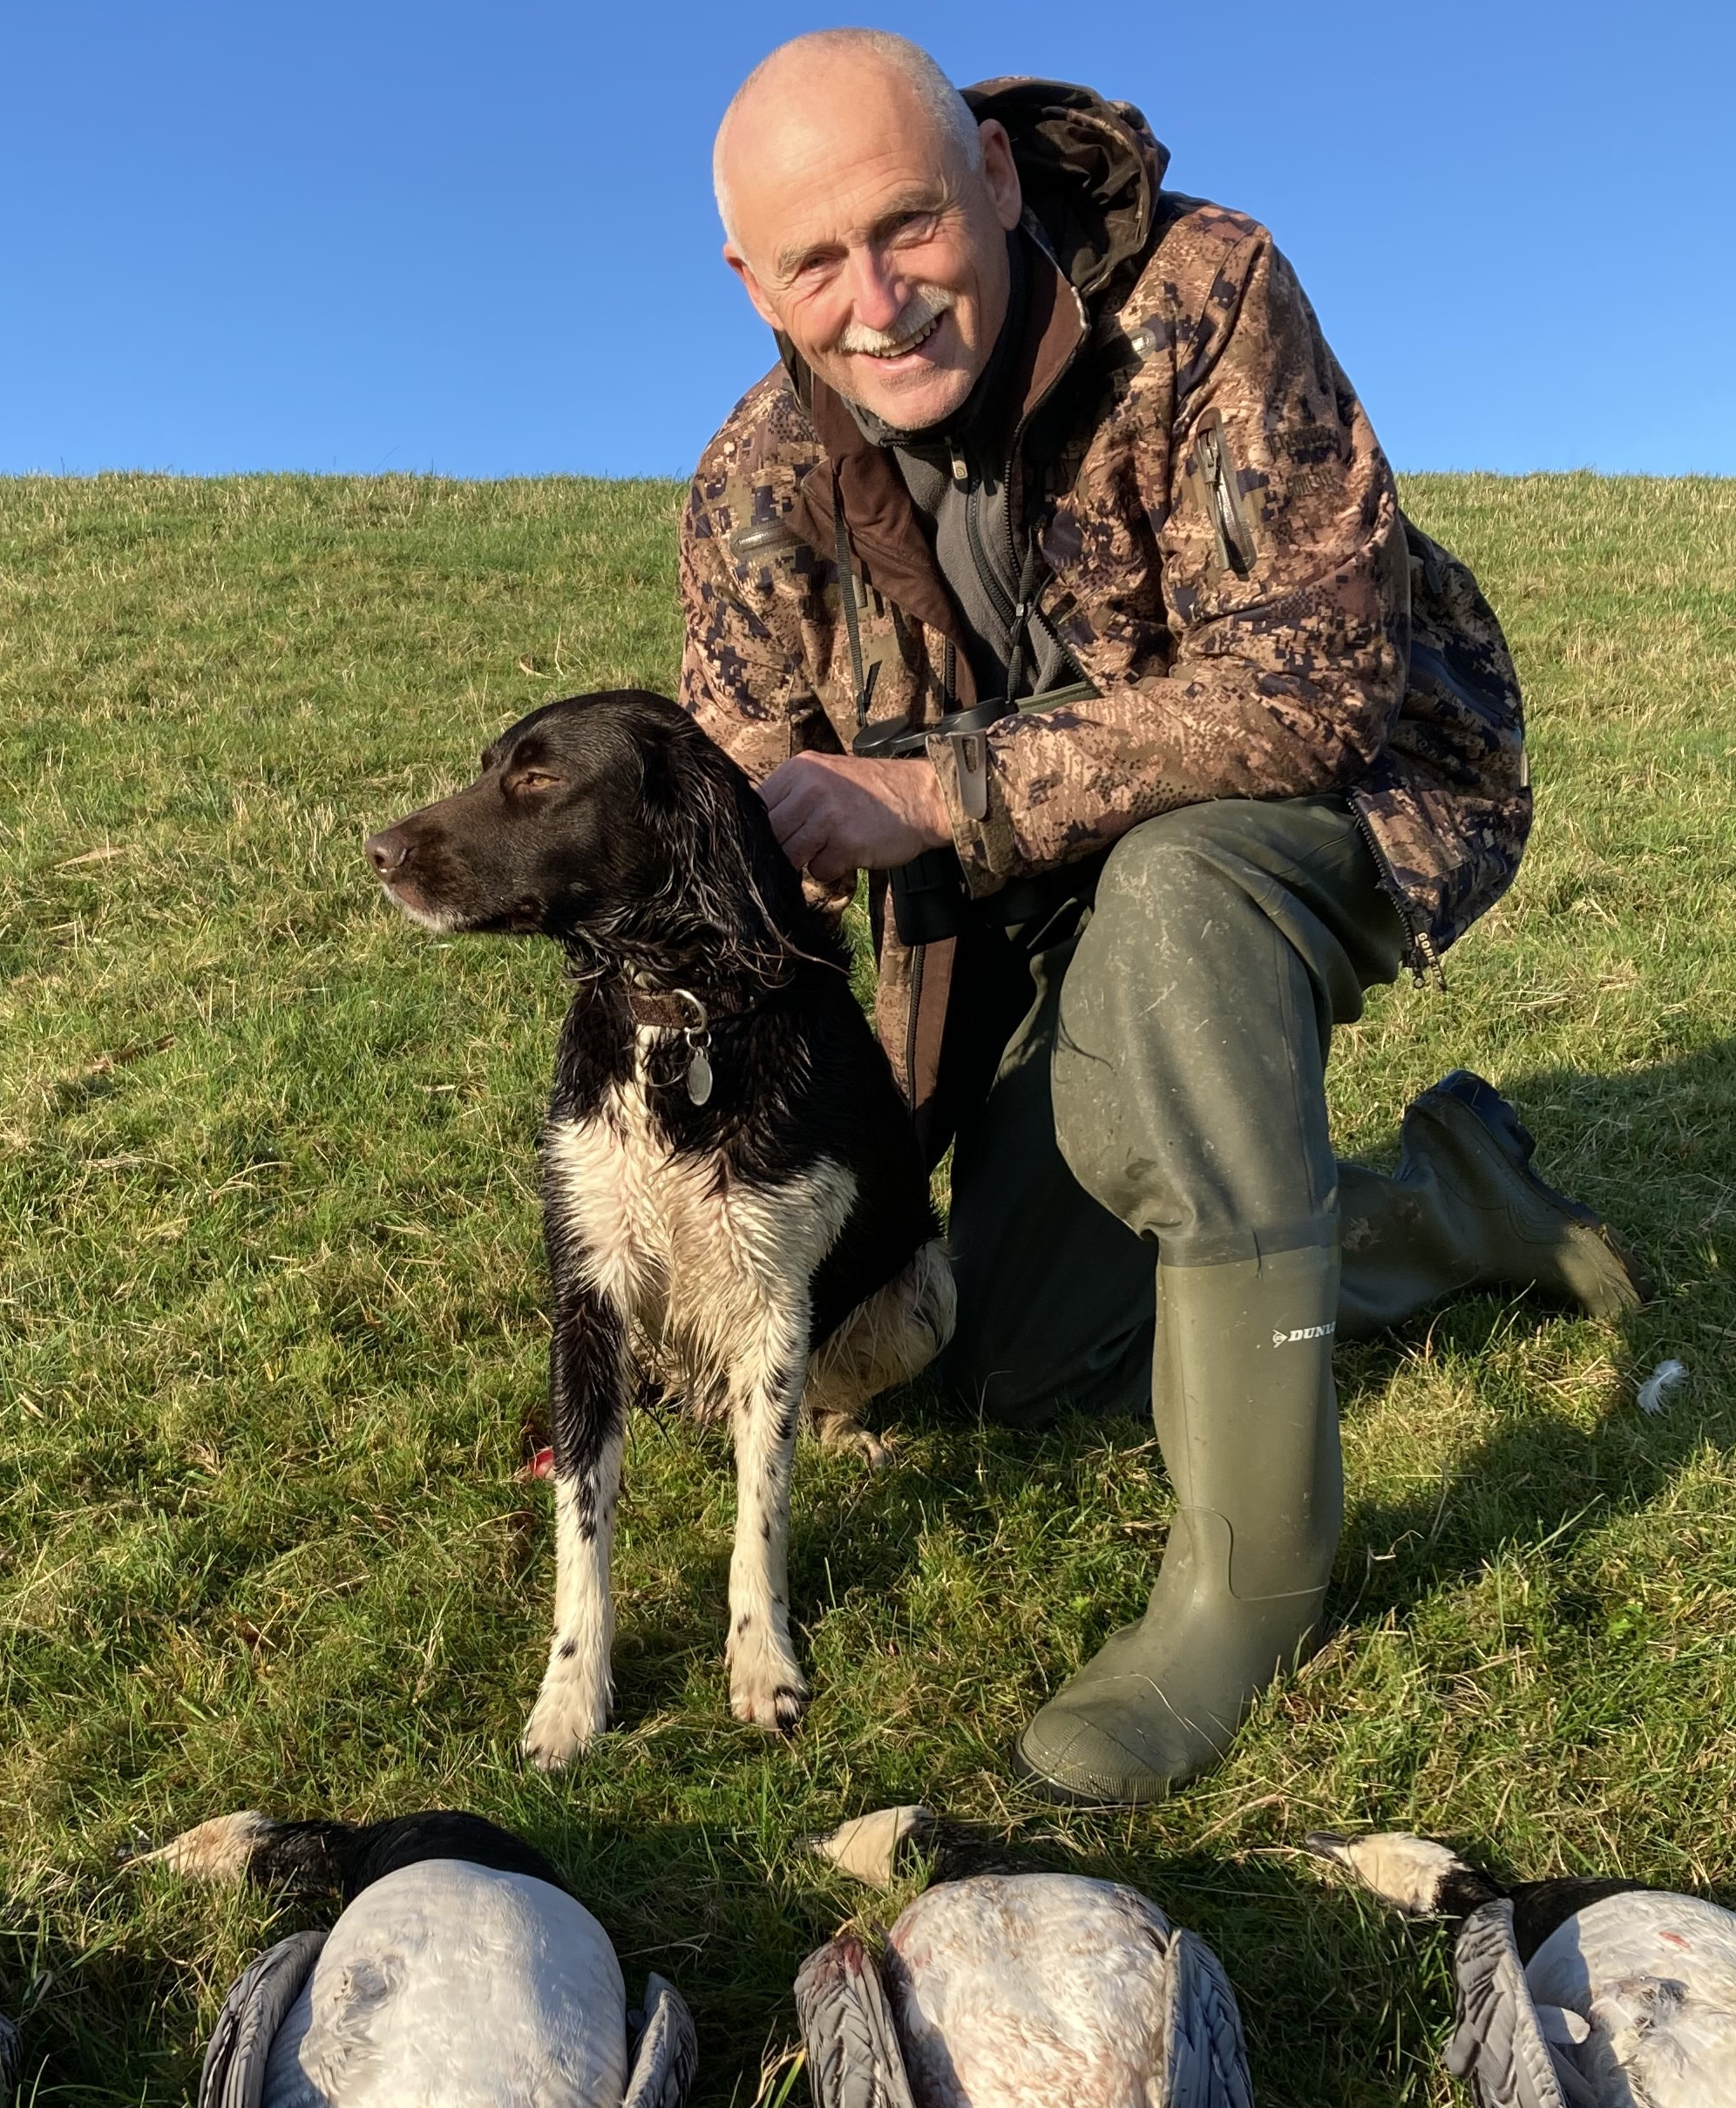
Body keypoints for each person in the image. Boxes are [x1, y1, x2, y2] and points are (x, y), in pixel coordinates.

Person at [681, 30, 1647, 1802]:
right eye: (814, 263)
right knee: (1030, 1359)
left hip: (1358, 799)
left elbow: (1314, 691)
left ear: (988, 173)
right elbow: (732, 848)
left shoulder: (1205, 295)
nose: (877, 302)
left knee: (1185, 894)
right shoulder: (753, 487)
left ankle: (1255, 1571)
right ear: (751, 279)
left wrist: (921, 794)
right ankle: (1450, 1208)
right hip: (1040, 909)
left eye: (907, 227)